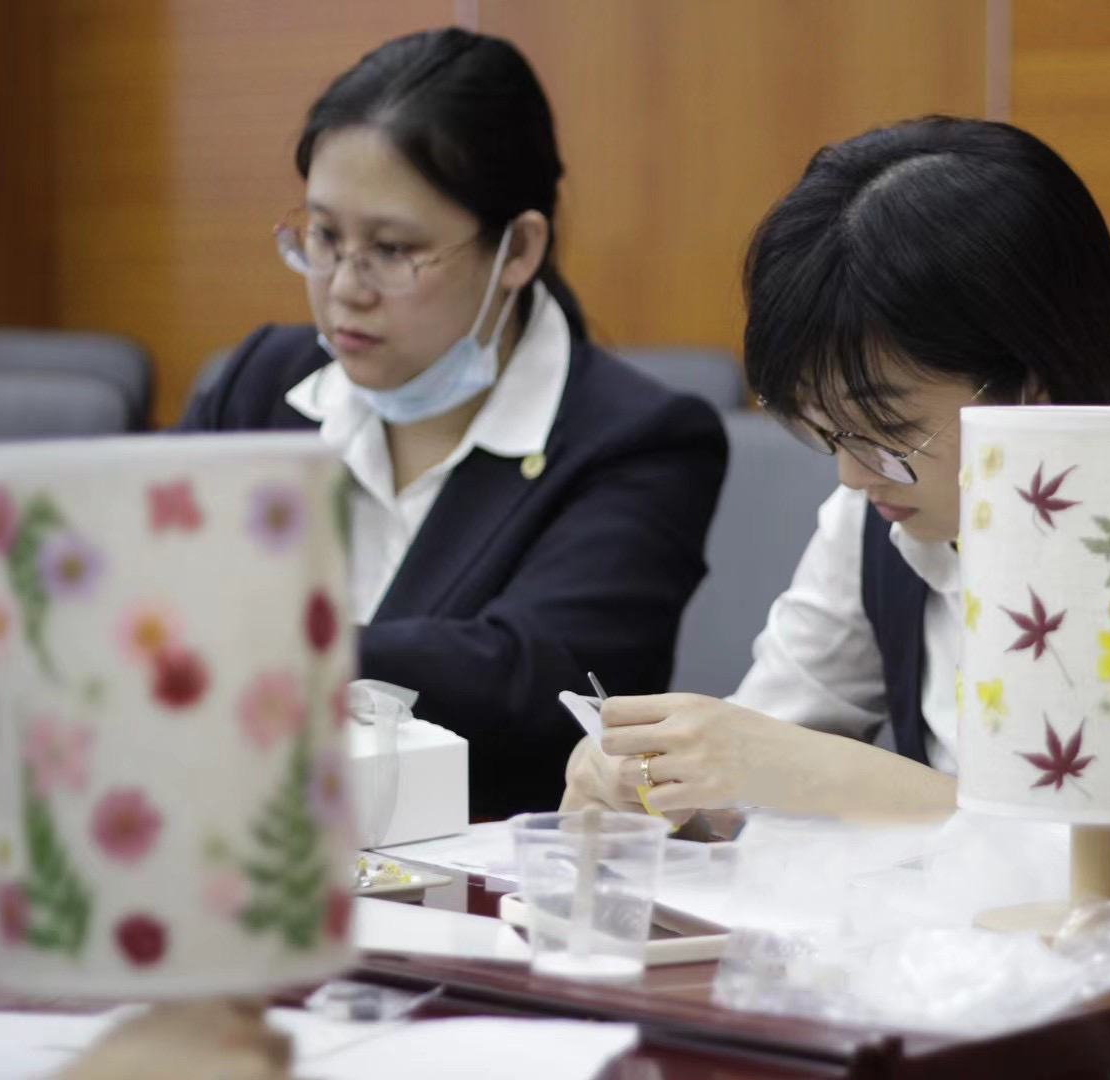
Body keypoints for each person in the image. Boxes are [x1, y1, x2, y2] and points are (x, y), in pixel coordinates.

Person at [563, 116, 1110, 933]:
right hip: (960, 989)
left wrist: (835, 780)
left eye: (886, 428)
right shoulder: (881, 504)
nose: (852, 473)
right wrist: (660, 787)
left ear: (1032, 383)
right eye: (825, 433)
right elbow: (760, 758)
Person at [182, 29, 727, 818]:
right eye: (325, 237)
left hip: (479, 872)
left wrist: (263, 642)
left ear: (518, 249)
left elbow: (532, 675)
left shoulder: (639, 441)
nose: (345, 287)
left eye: (392, 249)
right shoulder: (263, 382)